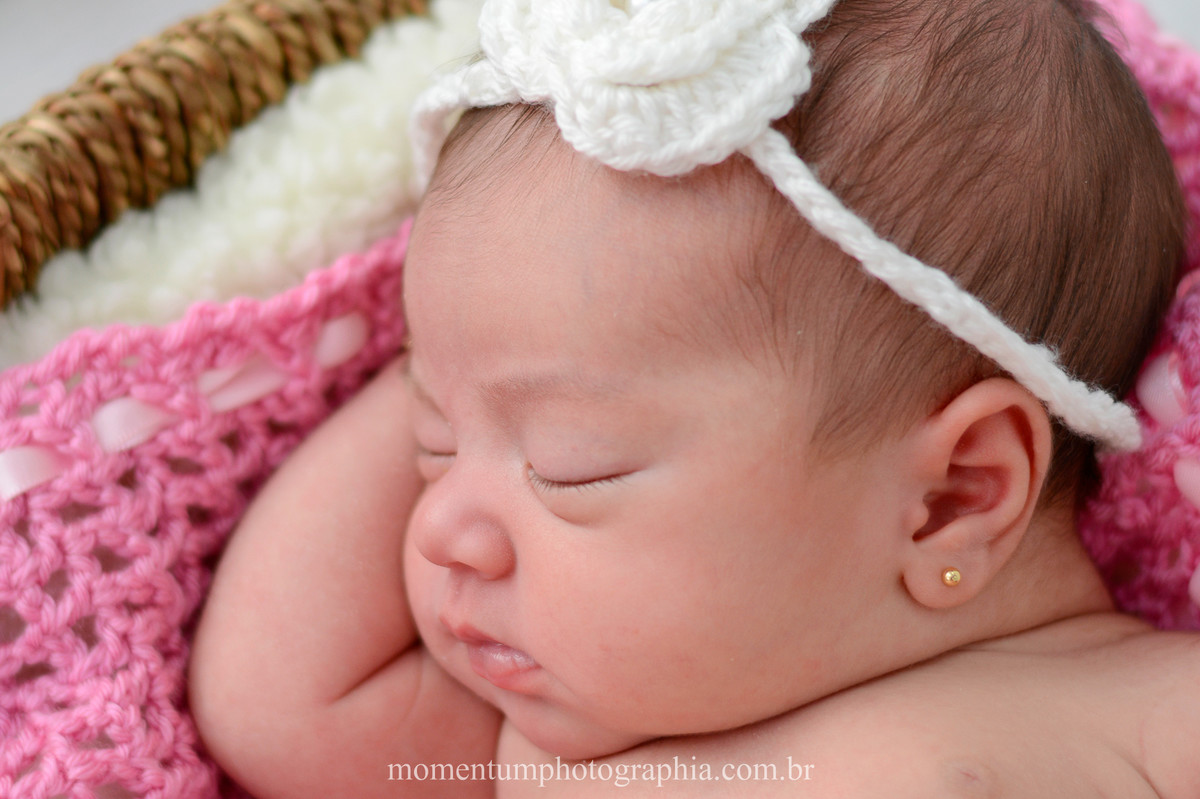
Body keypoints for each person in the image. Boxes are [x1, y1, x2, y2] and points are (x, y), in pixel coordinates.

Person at [187, 0, 1200, 795]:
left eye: (568, 464)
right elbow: (280, 707)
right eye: (433, 444)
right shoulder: (537, 757)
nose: (443, 531)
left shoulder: (1139, 714)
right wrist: (450, 357)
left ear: (955, 496)